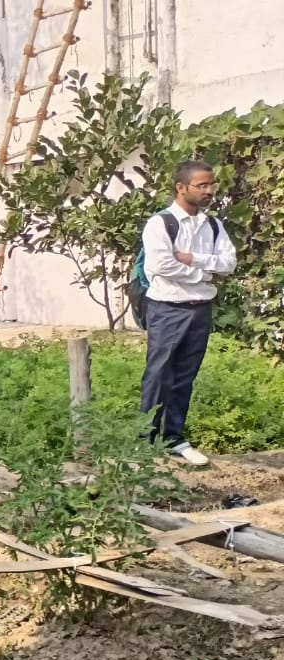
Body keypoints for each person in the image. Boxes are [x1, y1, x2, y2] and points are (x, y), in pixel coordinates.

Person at [140, 160, 236, 467]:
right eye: (202, 185)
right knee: (159, 374)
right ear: (181, 187)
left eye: (212, 184)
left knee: (185, 376)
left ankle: (174, 438)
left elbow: (229, 263)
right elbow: (160, 265)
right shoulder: (161, 223)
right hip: (168, 309)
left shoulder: (213, 225)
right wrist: (205, 275)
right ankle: (144, 441)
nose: (209, 190)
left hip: (200, 310)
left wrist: (192, 258)